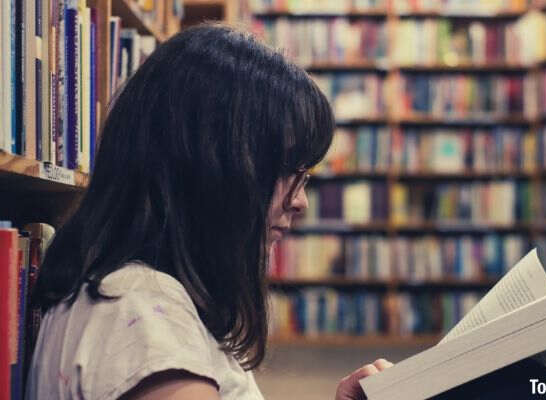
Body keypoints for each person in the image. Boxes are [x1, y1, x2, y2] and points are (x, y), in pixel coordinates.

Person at [25, 23, 393, 400]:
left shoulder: (120, 293)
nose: (301, 202)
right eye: (288, 172)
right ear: (217, 169)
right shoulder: (141, 316)